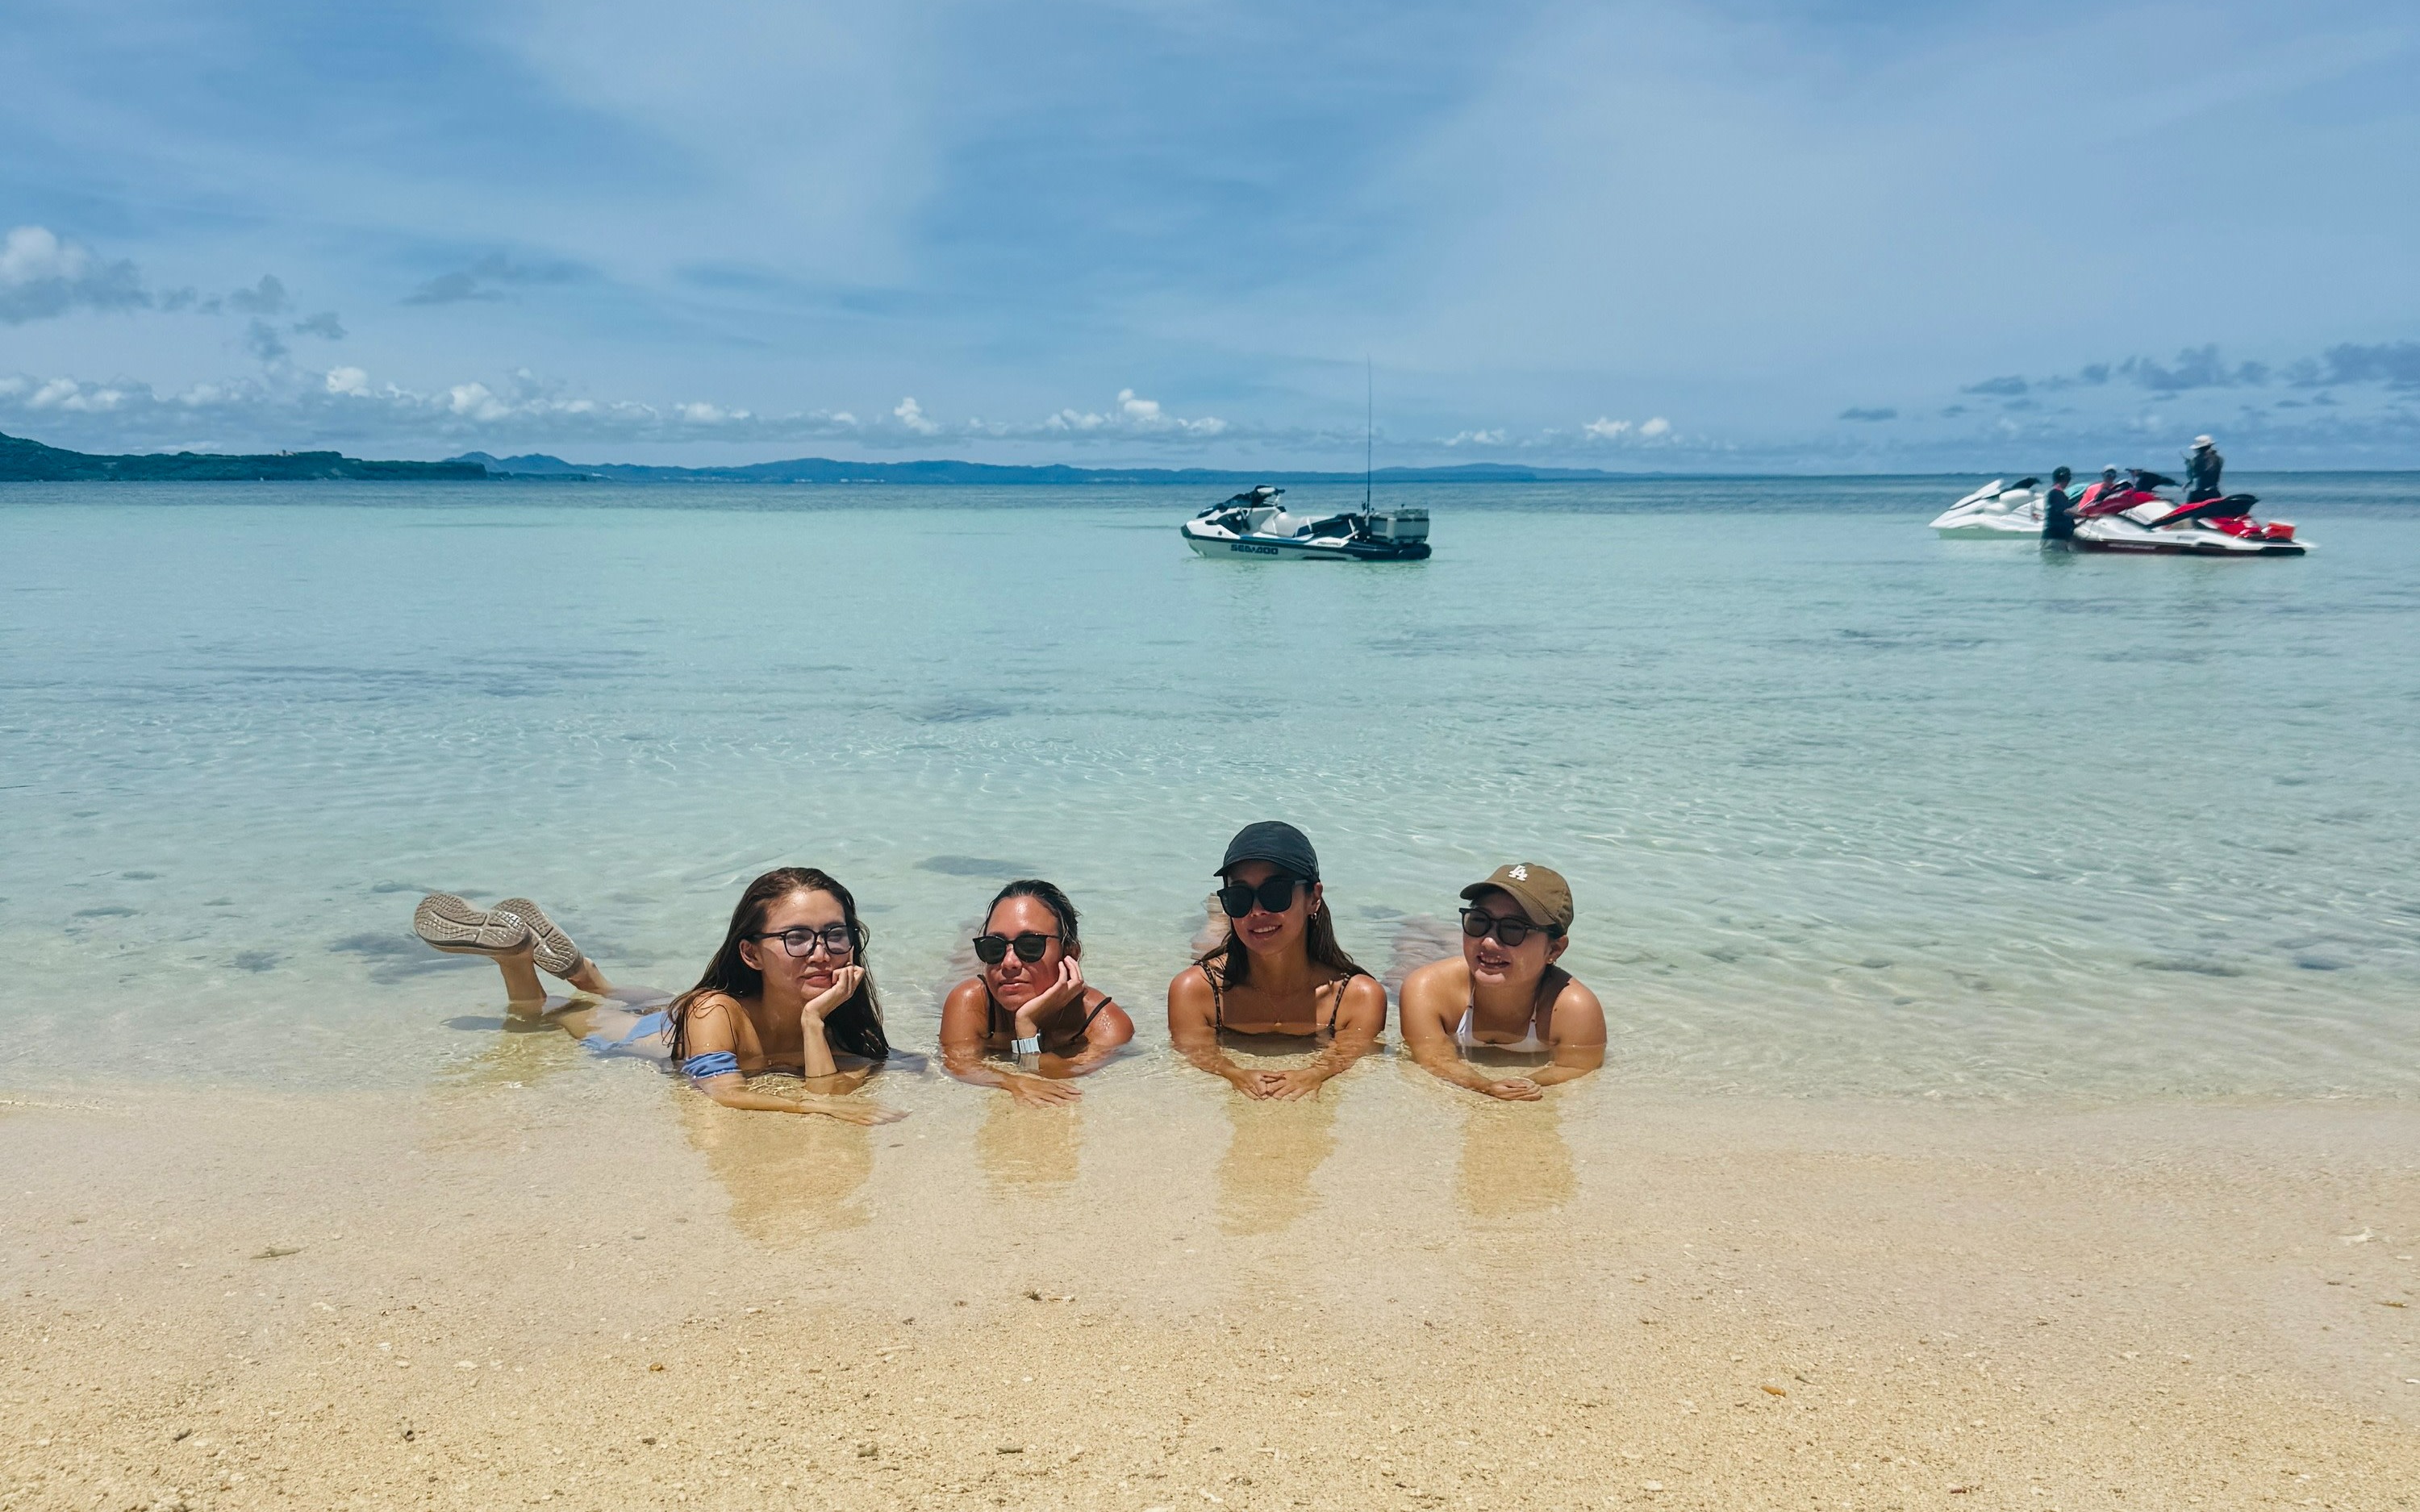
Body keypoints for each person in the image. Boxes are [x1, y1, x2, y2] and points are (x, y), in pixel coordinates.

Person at [411, 869, 903, 1123]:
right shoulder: (715, 1009)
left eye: (835, 934)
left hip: (676, 1012)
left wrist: (815, 1021)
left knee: (648, 995)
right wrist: (813, 1097)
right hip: (634, 1035)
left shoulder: (835, 1007)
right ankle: (517, 958)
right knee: (549, 1011)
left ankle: (587, 973)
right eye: (796, 938)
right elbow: (726, 1093)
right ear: (751, 955)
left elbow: (828, 1085)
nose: (822, 953)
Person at [1166, 821, 1387, 1100]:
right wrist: (1232, 1072)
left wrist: (1316, 1073)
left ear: (1314, 898)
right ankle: (1217, 918)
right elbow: (1195, 1052)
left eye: (1275, 893)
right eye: (1239, 897)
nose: (1257, 911)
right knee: (1206, 944)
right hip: (1227, 961)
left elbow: (1348, 1056)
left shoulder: (1357, 996)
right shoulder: (1195, 990)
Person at [1397, 864, 1606, 1100]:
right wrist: (1483, 1085)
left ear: (1555, 949)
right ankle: (1414, 922)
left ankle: (1426, 924)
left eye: (1513, 929)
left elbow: (1576, 1067)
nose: (1488, 941)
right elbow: (1432, 1056)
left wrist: (1526, 1084)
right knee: (1400, 967)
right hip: (1452, 973)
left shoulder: (1575, 1009)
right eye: (1478, 921)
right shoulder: (1427, 988)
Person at [939, 879, 1135, 1104]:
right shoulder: (970, 1001)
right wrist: (1009, 1081)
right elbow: (957, 1064)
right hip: (962, 984)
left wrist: (1027, 1026)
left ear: (1070, 952)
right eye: (993, 947)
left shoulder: (1104, 1024)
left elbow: (1055, 1076)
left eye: (1030, 945)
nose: (1008, 962)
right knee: (957, 964)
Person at [2040, 465, 2077, 543]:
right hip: (2055, 538)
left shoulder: (2053, 492)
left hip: (2055, 537)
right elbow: (2066, 511)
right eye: (2069, 478)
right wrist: (2087, 515)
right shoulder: (2056, 492)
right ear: (2066, 479)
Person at [2185, 435, 2224, 502]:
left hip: (2200, 494)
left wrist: (2188, 466)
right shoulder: (2219, 459)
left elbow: (2191, 476)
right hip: (2215, 492)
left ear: (2199, 449)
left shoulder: (2196, 460)